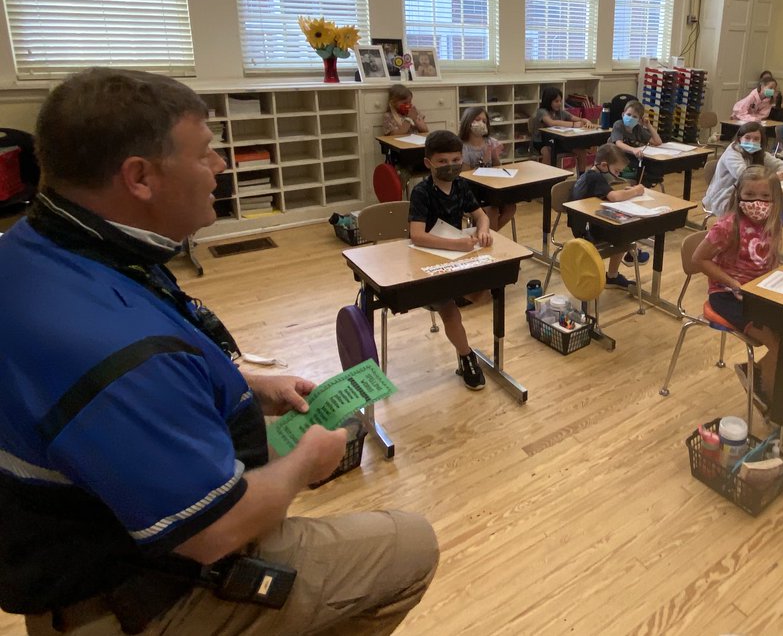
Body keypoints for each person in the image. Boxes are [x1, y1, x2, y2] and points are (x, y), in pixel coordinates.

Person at [0, 69, 437, 635]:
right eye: (205, 153)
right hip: (137, 587)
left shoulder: (40, 248)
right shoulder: (120, 351)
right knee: (410, 545)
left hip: (75, 546)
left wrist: (249, 386)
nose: (222, 167)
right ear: (139, 178)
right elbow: (214, 533)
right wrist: (306, 462)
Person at [693, 165, 783, 442]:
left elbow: (770, 260)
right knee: (781, 345)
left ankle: (757, 372)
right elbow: (698, 260)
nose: (758, 203)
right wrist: (733, 283)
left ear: (776, 200)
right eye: (750, 195)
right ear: (739, 195)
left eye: (765, 197)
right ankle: (772, 405)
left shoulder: (773, 223)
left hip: (761, 292)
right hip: (728, 294)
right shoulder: (727, 226)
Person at [408, 129, 494, 390]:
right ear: (428, 163)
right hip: (428, 263)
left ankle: (460, 326)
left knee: (487, 290)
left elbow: (481, 215)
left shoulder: (461, 185)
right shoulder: (421, 192)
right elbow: (417, 236)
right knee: (451, 313)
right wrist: (456, 245)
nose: (451, 166)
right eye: (443, 162)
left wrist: (483, 229)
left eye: (456, 160)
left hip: (456, 260)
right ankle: (467, 356)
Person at [569, 144, 649, 288]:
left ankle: (628, 256)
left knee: (625, 227)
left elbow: (603, 197)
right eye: (617, 171)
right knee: (625, 230)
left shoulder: (590, 175)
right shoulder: (595, 178)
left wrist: (625, 192)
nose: (618, 176)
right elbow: (614, 197)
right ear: (604, 165)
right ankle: (624, 261)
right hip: (586, 232)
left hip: (586, 223)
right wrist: (636, 190)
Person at [702, 121, 783, 218]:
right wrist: (774, 177)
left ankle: (756, 230)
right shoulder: (732, 152)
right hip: (724, 197)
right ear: (739, 139)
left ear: (761, 141)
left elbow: (781, 165)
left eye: (756, 139)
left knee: (770, 205)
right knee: (764, 208)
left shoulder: (759, 153)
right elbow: (745, 176)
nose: (752, 142)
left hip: (748, 194)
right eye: (747, 138)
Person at [458, 105, 516, 233]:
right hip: (472, 190)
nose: (481, 123)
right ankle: (489, 237)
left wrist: (494, 155)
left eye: (484, 121)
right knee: (492, 209)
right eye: (477, 120)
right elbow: (466, 174)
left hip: (491, 187)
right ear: (468, 122)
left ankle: (486, 233)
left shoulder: (490, 142)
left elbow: (497, 168)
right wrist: (483, 161)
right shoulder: (463, 146)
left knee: (511, 207)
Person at [528, 86, 594, 170]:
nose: (559, 103)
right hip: (541, 142)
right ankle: (545, 177)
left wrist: (587, 121)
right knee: (548, 152)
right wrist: (573, 125)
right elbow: (551, 123)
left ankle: (582, 176)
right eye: (556, 101)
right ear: (548, 101)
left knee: (581, 151)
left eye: (560, 101)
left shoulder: (561, 112)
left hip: (558, 141)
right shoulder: (542, 112)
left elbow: (578, 119)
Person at [609, 100, 662, 183]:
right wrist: (633, 149)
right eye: (628, 115)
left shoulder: (638, 129)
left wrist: (648, 125)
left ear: (639, 120)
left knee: (650, 172)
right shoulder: (618, 125)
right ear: (623, 114)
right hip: (617, 160)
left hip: (633, 160)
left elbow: (657, 142)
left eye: (634, 117)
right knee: (643, 174)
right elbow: (618, 143)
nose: (630, 118)